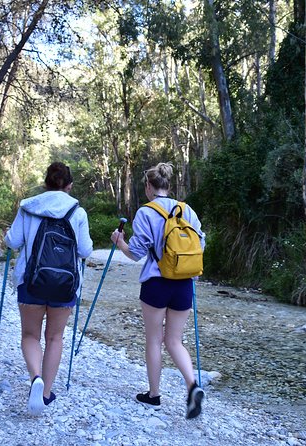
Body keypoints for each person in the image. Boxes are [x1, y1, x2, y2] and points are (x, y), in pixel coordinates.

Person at [110, 162, 205, 419]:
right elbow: (201, 245)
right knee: (174, 340)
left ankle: (153, 396)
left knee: (153, 339)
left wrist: (120, 243)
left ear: (149, 187)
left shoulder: (146, 212)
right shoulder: (187, 210)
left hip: (156, 282)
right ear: (168, 185)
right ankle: (193, 385)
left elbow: (136, 253)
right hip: (184, 283)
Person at [5, 162, 93, 416]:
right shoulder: (77, 212)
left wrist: (6, 236)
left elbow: (13, 241)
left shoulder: (28, 206)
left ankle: (36, 378)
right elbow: (85, 251)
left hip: (30, 280)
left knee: (30, 336)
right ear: (69, 185)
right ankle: (45, 394)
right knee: (55, 337)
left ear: (45, 182)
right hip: (65, 285)